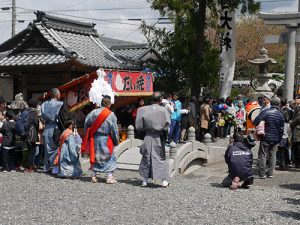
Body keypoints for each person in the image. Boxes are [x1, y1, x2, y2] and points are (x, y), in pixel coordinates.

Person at [136, 92, 171, 187]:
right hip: (158, 137)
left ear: (151, 100)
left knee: (146, 157)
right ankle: (164, 181)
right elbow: (167, 125)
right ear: (160, 100)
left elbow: (139, 126)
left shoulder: (142, 110)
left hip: (147, 136)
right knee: (160, 157)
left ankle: (144, 180)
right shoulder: (164, 111)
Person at [83, 95, 119, 184]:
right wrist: (116, 140)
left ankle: (94, 176)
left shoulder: (93, 113)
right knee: (109, 156)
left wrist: (89, 133)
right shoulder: (111, 114)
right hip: (106, 138)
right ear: (109, 104)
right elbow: (114, 129)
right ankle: (109, 177)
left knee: (95, 157)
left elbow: (86, 124)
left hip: (95, 138)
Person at [253, 96, 284, 178]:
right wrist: (279, 138)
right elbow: (281, 129)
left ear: (271, 102)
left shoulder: (266, 112)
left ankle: (262, 174)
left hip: (266, 136)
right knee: (273, 155)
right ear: (279, 104)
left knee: (262, 154)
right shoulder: (281, 114)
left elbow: (255, 121)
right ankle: (270, 173)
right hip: (276, 137)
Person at [41, 88, 66, 174]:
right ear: (57, 94)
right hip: (56, 128)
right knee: (56, 148)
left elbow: (42, 117)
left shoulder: (44, 104)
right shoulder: (60, 104)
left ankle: (47, 167)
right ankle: (54, 167)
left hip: (46, 128)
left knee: (47, 149)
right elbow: (62, 118)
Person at [23, 99, 39, 173]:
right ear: (35, 105)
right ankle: (29, 167)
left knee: (28, 150)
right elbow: (36, 123)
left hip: (25, 133)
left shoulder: (25, 111)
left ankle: (27, 166)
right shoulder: (34, 112)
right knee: (32, 151)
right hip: (32, 134)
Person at [278, 98, 292, 170]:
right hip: (287, 130)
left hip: (282, 132)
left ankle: (283, 165)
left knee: (281, 150)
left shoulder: (280, 111)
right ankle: (286, 164)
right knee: (285, 149)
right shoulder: (289, 110)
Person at [290, 95, 300, 168]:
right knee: (295, 146)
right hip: (296, 129)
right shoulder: (297, 107)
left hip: (298, 129)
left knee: (297, 147)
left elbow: (298, 119)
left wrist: (291, 123)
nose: (295, 99)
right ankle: (296, 162)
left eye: (297, 98)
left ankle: (298, 163)